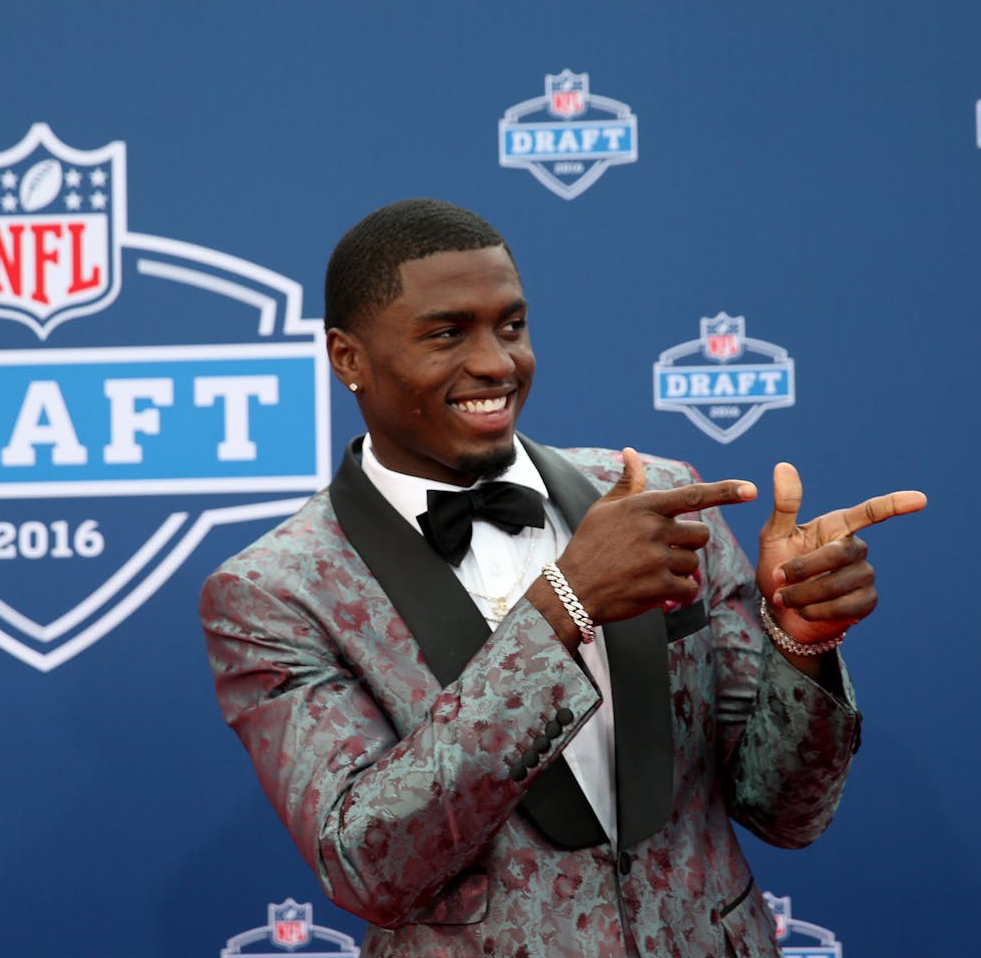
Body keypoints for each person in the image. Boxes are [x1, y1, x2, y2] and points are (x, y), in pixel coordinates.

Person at [200, 199, 926, 957]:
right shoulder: (273, 592)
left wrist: (800, 642)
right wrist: (564, 605)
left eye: (510, 326)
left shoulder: (662, 498)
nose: (497, 363)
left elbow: (785, 812)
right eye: (448, 333)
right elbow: (370, 866)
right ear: (349, 358)